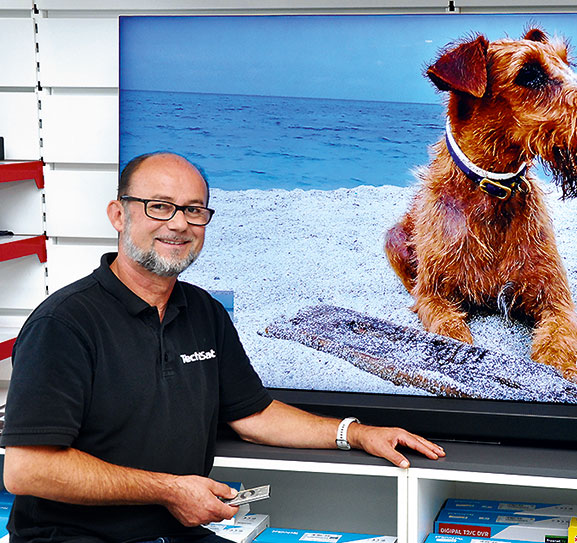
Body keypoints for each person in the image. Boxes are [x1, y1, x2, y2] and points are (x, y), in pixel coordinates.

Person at [0, 152, 445, 543]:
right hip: (73, 536)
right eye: (159, 207)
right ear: (119, 214)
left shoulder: (203, 311)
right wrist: (170, 489)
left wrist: (358, 433)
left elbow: (253, 414)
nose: (179, 224)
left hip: (174, 532)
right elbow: (27, 470)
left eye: (194, 211)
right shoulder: (64, 323)